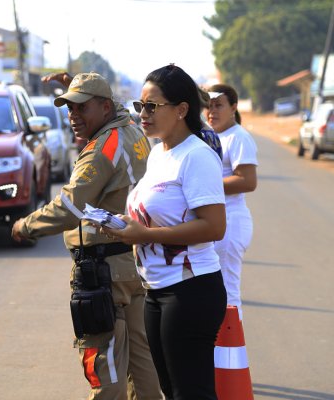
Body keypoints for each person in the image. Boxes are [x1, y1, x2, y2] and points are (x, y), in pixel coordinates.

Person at [12, 72, 162, 400]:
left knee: (105, 371)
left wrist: (25, 226)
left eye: (82, 108)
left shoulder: (100, 150)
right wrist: (77, 85)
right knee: (141, 363)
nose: (73, 117)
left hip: (104, 273)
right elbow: (115, 105)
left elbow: (68, 207)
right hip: (135, 265)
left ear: (104, 107)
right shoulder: (131, 129)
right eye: (69, 109)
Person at [102, 64, 227, 399]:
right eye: (140, 105)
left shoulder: (197, 156)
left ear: (182, 110)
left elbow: (214, 227)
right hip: (156, 288)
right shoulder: (159, 153)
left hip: (191, 291)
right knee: (171, 390)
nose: (143, 114)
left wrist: (144, 236)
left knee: (191, 392)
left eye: (152, 106)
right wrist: (120, 224)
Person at [205, 84, 258, 319]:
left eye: (218, 105)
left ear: (233, 107)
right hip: (214, 223)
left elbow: (247, 181)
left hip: (231, 221)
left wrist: (205, 185)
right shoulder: (211, 135)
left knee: (228, 294)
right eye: (209, 106)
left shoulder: (238, 137)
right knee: (213, 294)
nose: (212, 111)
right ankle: (216, 353)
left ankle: (232, 355)